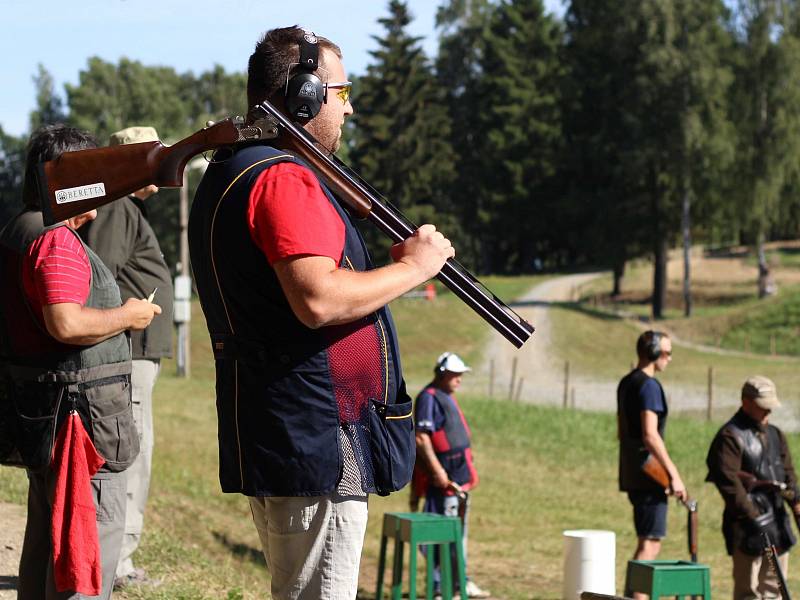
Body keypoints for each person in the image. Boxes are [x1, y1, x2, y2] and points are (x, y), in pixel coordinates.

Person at [187, 26, 455, 600]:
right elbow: (319, 300)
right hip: (312, 442)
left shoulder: (237, 168)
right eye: (342, 91)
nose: (350, 106)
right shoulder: (282, 178)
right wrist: (417, 268)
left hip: (296, 436)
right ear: (306, 96)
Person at [0, 124, 161, 599]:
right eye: (95, 172)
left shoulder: (21, 228)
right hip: (80, 428)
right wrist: (130, 315)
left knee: (49, 549)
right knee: (83, 560)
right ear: (70, 179)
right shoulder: (55, 240)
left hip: (53, 416)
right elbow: (65, 323)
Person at [79, 125, 174, 589]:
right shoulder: (118, 207)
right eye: (151, 156)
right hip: (127, 353)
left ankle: (118, 556)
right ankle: (116, 564)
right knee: (130, 453)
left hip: (136, 352)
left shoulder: (126, 208)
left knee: (135, 451)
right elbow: (101, 279)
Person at [706, 376, 800, 600]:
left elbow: (787, 475)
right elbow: (729, 484)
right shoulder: (730, 436)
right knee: (749, 593)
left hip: (777, 521)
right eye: (762, 407)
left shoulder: (776, 434)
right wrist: (754, 518)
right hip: (747, 525)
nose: (768, 413)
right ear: (746, 402)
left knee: (775, 591)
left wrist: (796, 501)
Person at [412, 352, 490, 599]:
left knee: (458, 535)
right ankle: (439, 586)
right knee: (440, 536)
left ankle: (459, 582)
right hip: (445, 482)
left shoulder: (445, 395)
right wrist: (438, 471)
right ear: (443, 373)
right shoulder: (428, 397)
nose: (459, 379)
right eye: (456, 374)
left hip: (458, 479)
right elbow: (422, 437)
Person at [617, 330, 687, 567]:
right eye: (666, 353)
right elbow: (650, 435)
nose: (669, 358)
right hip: (649, 476)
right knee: (650, 544)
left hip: (633, 471)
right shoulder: (649, 387)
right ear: (654, 353)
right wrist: (674, 476)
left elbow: (622, 431)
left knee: (645, 542)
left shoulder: (626, 383)